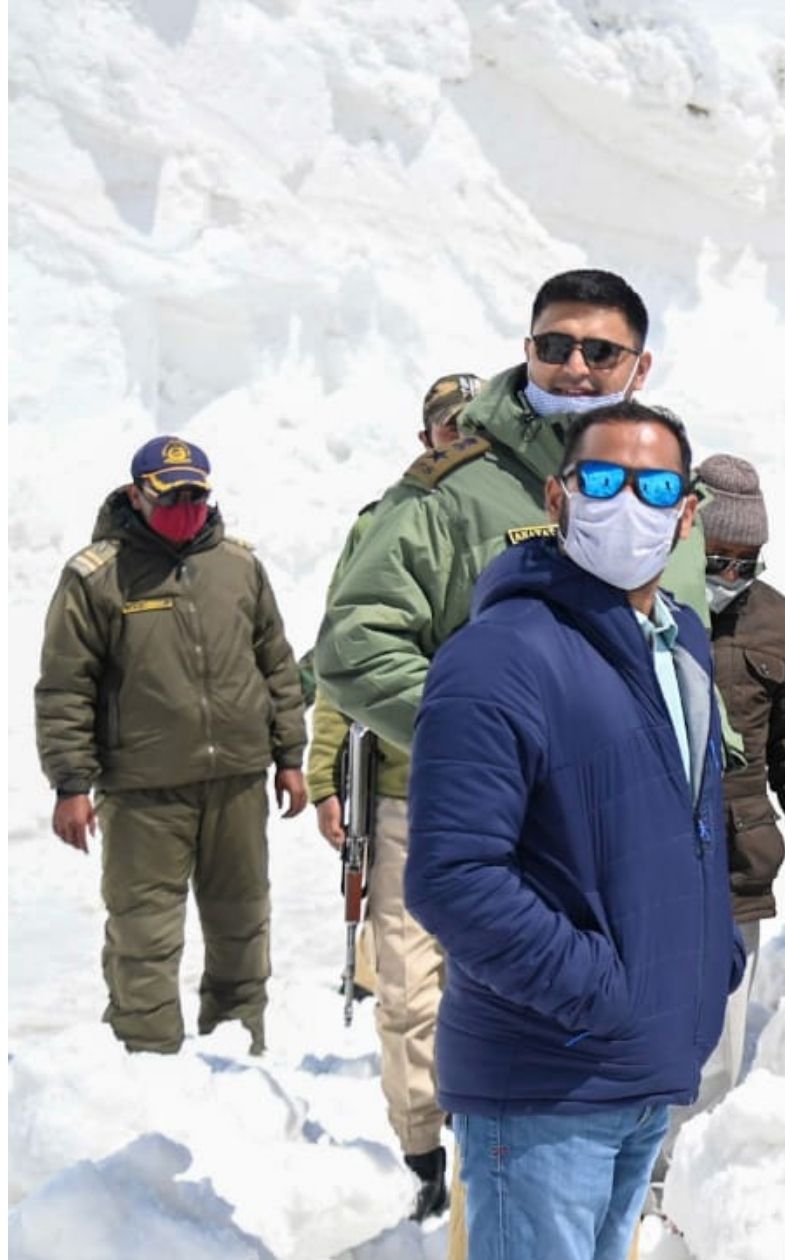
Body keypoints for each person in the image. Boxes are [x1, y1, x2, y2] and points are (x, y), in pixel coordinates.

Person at [406, 401, 744, 1260]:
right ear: (558, 500)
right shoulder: (500, 655)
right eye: (603, 480)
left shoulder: (681, 644)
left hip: (640, 1068)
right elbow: (454, 879)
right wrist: (603, 991)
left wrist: (703, 968)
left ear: (687, 514)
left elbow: (679, 831)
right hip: (548, 1080)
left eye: (656, 485)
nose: (627, 503)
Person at [316, 269, 713, 759]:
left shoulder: (671, 494)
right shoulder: (450, 494)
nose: (575, 367)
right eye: (554, 347)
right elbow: (355, 648)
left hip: (661, 806)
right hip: (517, 816)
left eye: (601, 352)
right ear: (528, 351)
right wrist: (502, 737)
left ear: (641, 367)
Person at [36, 437, 309, 1057]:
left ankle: (238, 1057)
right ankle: (147, 1067)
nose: (186, 505)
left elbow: (277, 663)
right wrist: (71, 784)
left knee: (242, 925)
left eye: (196, 494)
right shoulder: (97, 576)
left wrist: (290, 756)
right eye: (171, 495)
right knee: (144, 937)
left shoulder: (239, 567)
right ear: (137, 495)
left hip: (237, 780)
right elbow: (64, 686)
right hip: (142, 792)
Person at [303, 371, 479, 1221]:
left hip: (507, 795)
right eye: (450, 427)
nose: (461, 439)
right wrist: (331, 770)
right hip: (406, 792)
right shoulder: (386, 525)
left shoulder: (532, 512)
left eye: (473, 427)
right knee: (411, 990)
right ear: (427, 439)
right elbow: (346, 656)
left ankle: (485, 1136)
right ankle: (422, 1155)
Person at [651, 454, 785, 1190]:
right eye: (719, 558)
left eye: (748, 562)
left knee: (718, 1055)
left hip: (737, 869)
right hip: (648, 863)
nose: (730, 575)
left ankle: (683, 1194)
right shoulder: (642, 600)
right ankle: (632, 1185)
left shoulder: (775, 621)